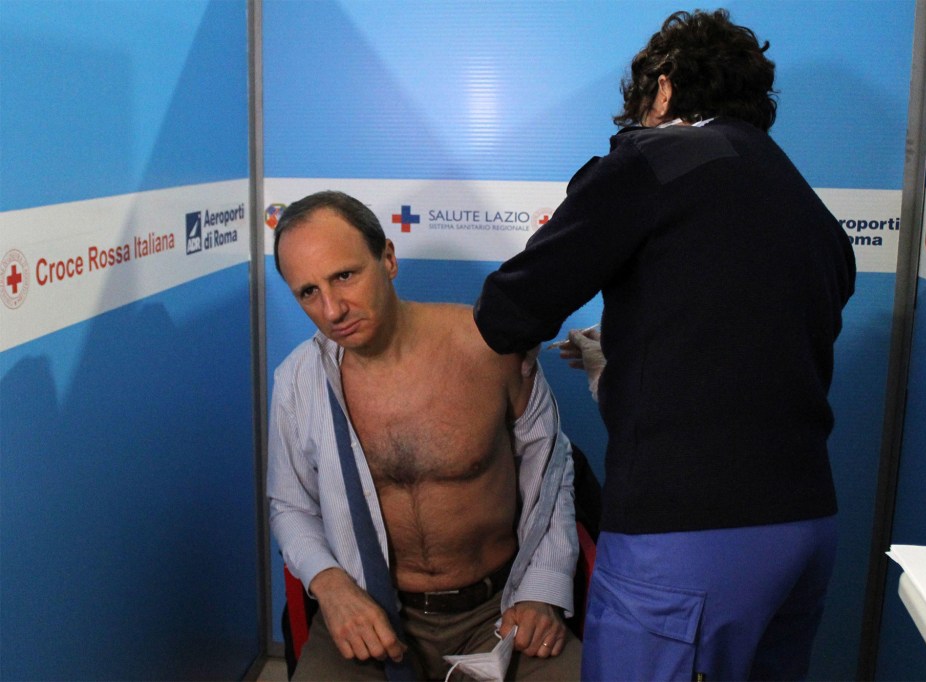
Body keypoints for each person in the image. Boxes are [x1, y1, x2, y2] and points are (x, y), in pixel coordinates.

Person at [473, 9, 856, 681]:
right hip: (806, 528)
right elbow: (737, 347)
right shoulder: (806, 205)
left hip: (689, 542)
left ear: (667, 86)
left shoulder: (656, 156)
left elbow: (510, 310)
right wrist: (619, 358)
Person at [267, 190, 581, 681]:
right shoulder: (297, 383)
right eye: (308, 292)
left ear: (388, 259)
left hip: (500, 611)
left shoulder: (491, 348)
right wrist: (331, 587)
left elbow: (554, 472)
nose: (332, 310)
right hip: (370, 612)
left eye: (344, 276)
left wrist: (543, 590)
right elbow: (290, 506)